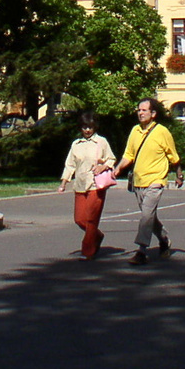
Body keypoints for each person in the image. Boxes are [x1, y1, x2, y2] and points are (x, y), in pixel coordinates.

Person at [112, 97, 183, 265]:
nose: (140, 113)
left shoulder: (162, 132)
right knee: (149, 216)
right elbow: (128, 154)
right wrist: (118, 168)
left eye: (144, 110)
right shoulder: (135, 131)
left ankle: (141, 252)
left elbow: (173, 156)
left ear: (153, 113)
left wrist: (179, 175)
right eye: (139, 110)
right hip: (138, 181)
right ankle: (164, 239)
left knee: (145, 216)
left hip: (156, 180)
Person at [58, 111, 116, 260]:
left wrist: (103, 167)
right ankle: (97, 235)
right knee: (79, 219)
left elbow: (111, 159)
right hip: (80, 185)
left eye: (90, 127)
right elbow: (69, 165)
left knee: (91, 219)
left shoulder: (101, 142)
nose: (87, 130)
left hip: (96, 185)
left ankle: (88, 251)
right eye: (84, 127)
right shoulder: (76, 144)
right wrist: (63, 183)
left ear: (94, 127)